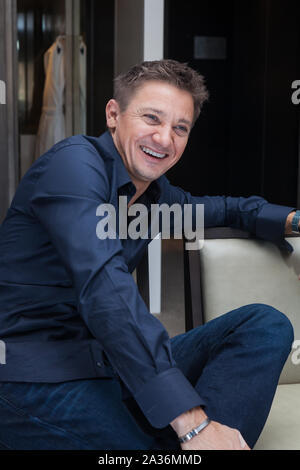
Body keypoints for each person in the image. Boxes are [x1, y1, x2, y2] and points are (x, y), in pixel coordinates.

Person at [0, 59, 296, 451]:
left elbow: (226, 208)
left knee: (264, 324)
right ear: (113, 115)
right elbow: (107, 293)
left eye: (180, 128)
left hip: (110, 363)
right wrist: (191, 422)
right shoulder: (73, 166)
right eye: (151, 118)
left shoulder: (155, 197)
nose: (164, 138)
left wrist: (293, 219)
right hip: (33, 376)